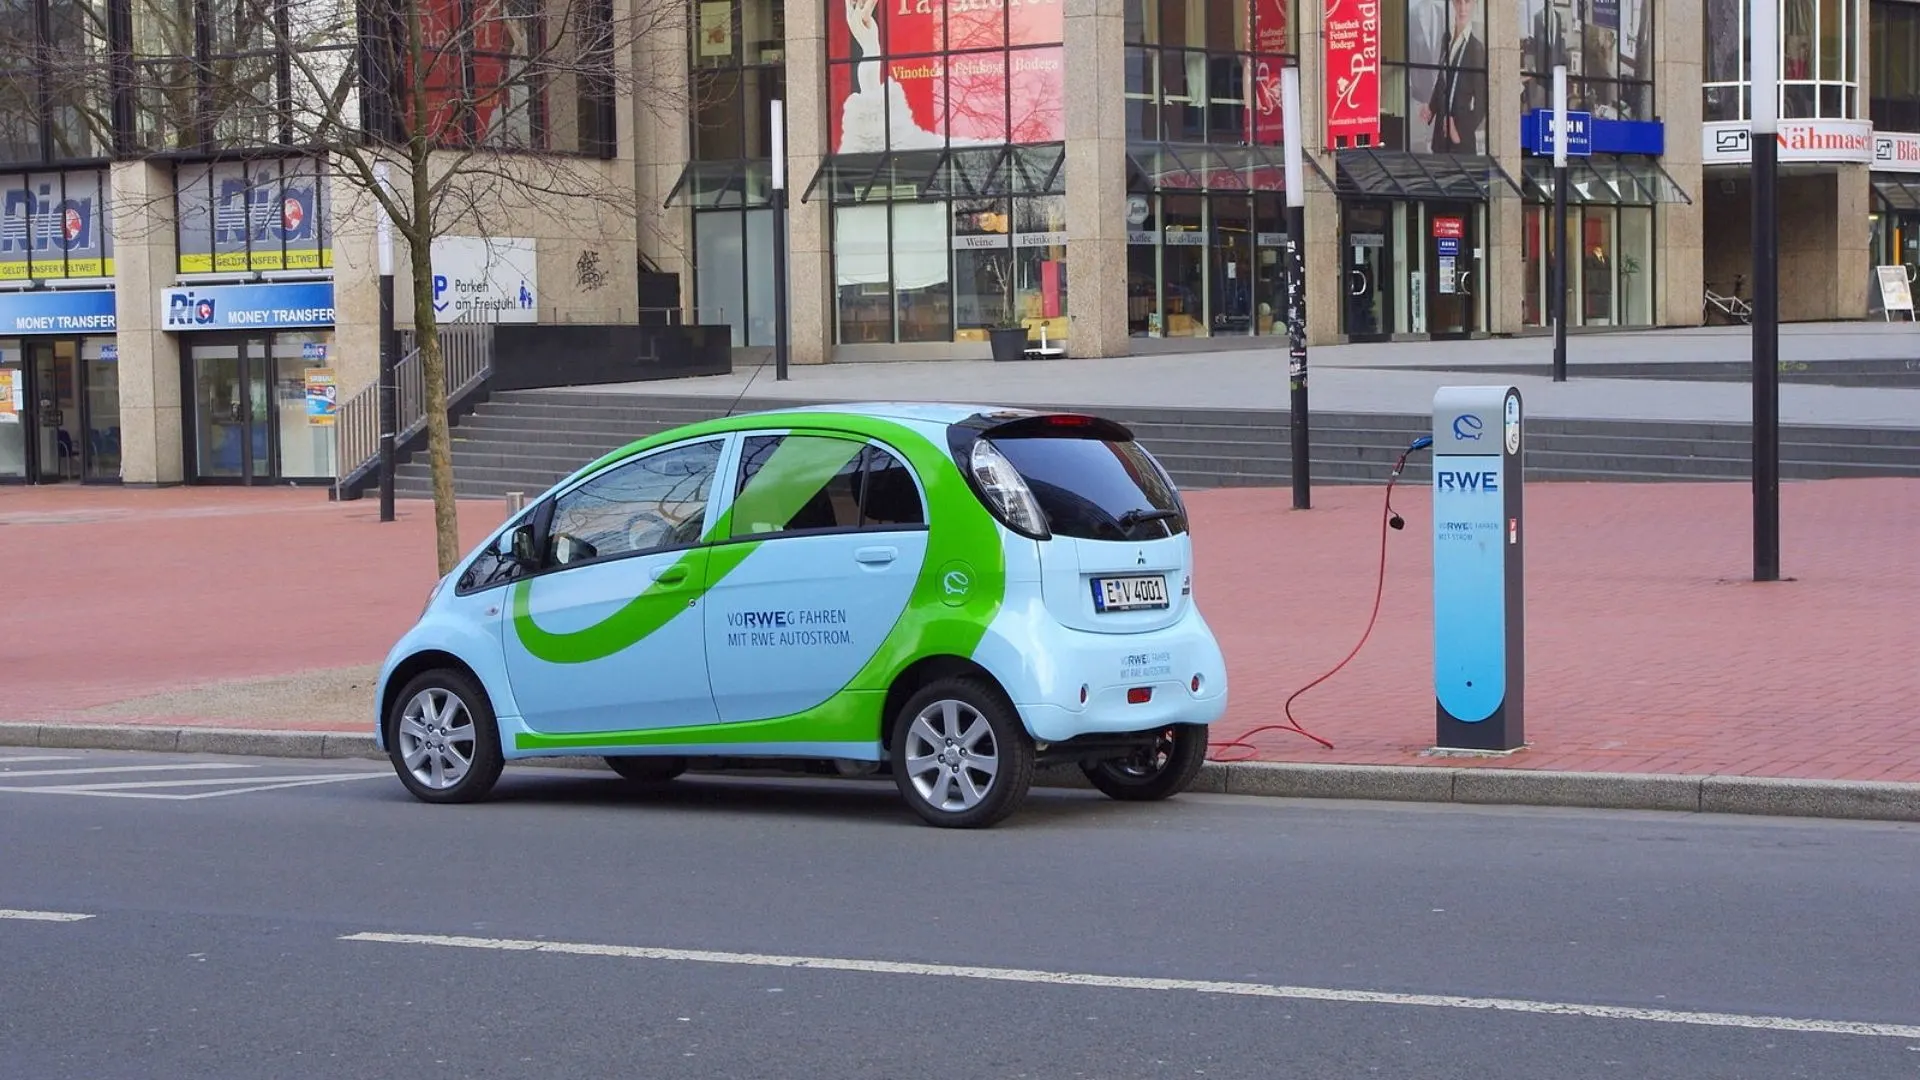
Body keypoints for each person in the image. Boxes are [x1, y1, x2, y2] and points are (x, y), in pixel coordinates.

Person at [1421, 0, 1485, 154]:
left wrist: (1460, 132)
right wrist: (1431, 108)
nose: (1462, 8)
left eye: (1467, 3)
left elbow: (1482, 102)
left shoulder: (1475, 48)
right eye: (1458, 2)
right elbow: (1442, 80)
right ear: (1453, 5)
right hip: (1440, 137)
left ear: (1474, 5)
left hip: (1459, 141)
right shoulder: (1447, 40)